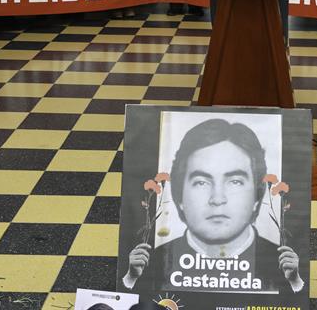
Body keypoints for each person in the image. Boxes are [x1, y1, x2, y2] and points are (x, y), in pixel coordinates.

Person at [122, 118, 303, 294]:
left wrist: (295, 281)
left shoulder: (283, 266)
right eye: (201, 182)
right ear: (180, 196)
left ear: (257, 194)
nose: (217, 199)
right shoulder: (151, 264)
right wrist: (131, 278)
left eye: (235, 182)